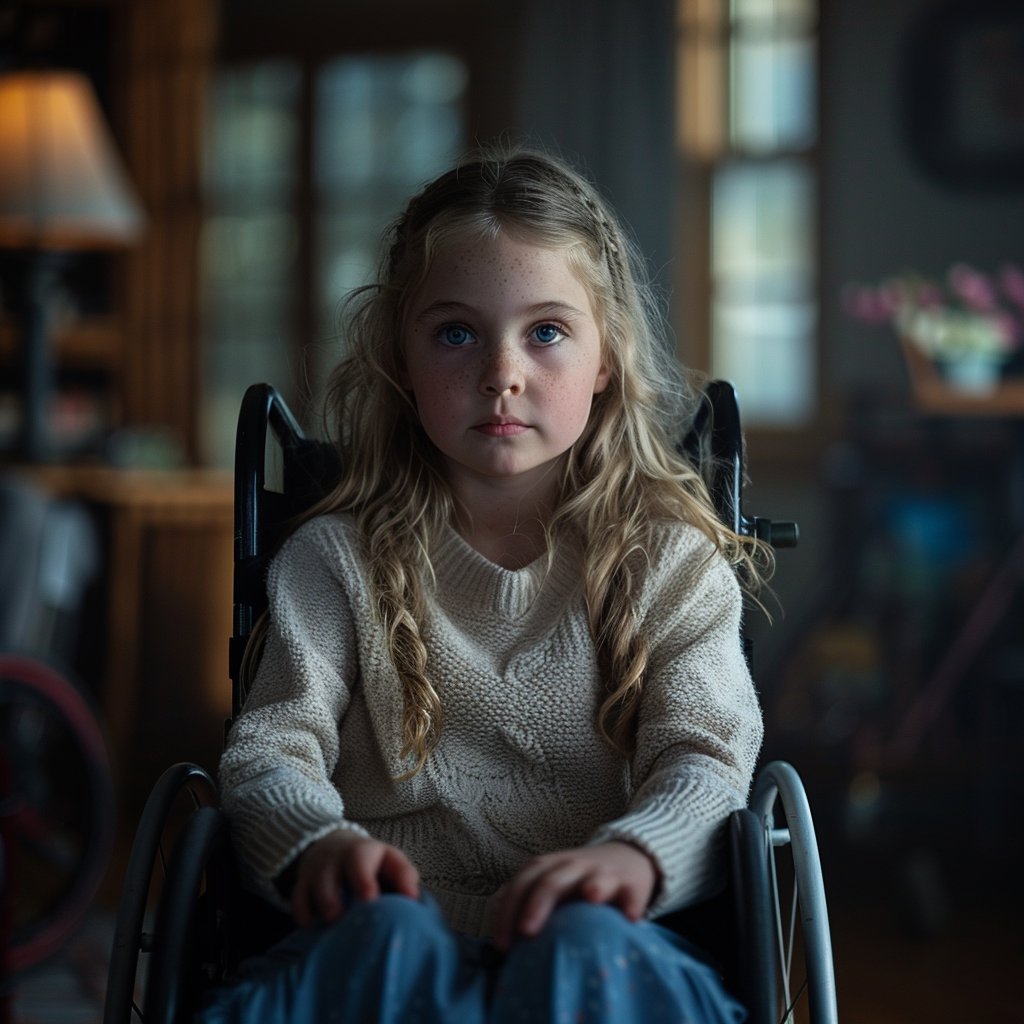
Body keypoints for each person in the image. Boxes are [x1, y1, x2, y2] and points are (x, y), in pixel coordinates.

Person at [203, 149, 771, 1024]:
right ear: (402, 356)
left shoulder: (669, 562)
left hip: (605, 938)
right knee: (388, 938)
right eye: (456, 332)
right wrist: (317, 844)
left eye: (546, 331)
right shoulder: (333, 561)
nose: (500, 372)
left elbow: (706, 758)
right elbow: (271, 749)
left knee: (580, 944)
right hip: (383, 927)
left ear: (608, 357)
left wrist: (635, 858)